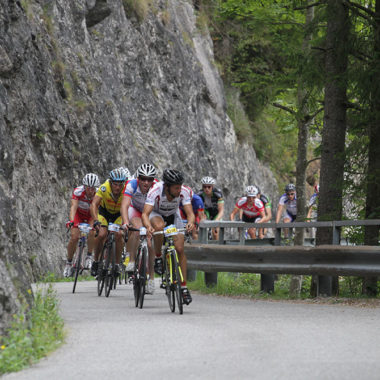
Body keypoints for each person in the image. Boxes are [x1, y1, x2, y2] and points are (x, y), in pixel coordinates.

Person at [142, 169, 195, 305]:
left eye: (180, 187)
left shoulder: (184, 191)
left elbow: (190, 213)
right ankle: (159, 257)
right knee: (158, 227)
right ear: (167, 187)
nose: (179, 190)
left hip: (173, 215)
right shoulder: (155, 191)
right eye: (176, 188)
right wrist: (148, 227)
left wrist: (190, 222)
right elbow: (145, 214)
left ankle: (183, 287)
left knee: (180, 249)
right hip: (156, 214)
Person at [120, 163, 158, 294]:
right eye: (143, 178)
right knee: (137, 229)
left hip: (150, 212)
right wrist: (125, 222)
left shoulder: (157, 186)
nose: (146, 182)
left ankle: (152, 279)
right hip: (135, 209)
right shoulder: (131, 184)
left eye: (149, 179)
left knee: (150, 242)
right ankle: (131, 260)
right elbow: (124, 205)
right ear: (138, 178)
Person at [90, 168, 127, 277]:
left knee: (119, 234)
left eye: (120, 185)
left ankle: (116, 264)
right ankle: (96, 261)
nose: (118, 187)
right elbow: (94, 205)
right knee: (101, 234)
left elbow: (129, 206)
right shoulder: (104, 188)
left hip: (118, 214)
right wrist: (96, 220)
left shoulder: (126, 190)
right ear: (111, 183)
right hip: (104, 212)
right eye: (115, 184)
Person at [64, 173, 100, 277]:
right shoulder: (78, 191)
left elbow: (97, 211)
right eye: (88, 188)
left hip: (91, 215)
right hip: (78, 215)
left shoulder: (98, 194)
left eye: (93, 188)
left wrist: (96, 222)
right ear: (84, 186)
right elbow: (73, 207)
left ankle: (89, 256)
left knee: (92, 232)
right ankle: (69, 262)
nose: (91, 191)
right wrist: (71, 221)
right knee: (74, 237)